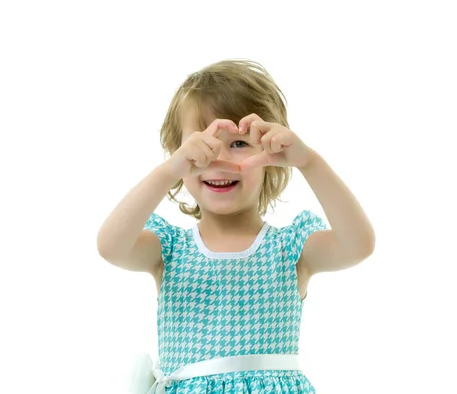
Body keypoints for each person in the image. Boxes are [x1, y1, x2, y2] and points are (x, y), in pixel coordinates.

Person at [96, 59, 376, 394]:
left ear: (272, 153)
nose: (220, 159)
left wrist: (309, 162)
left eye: (239, 143)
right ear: (178, 154)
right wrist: (170, 170)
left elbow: (357, 244)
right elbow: (110, 246)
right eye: (203, 144)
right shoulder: (168, 250)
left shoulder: (290, 249)